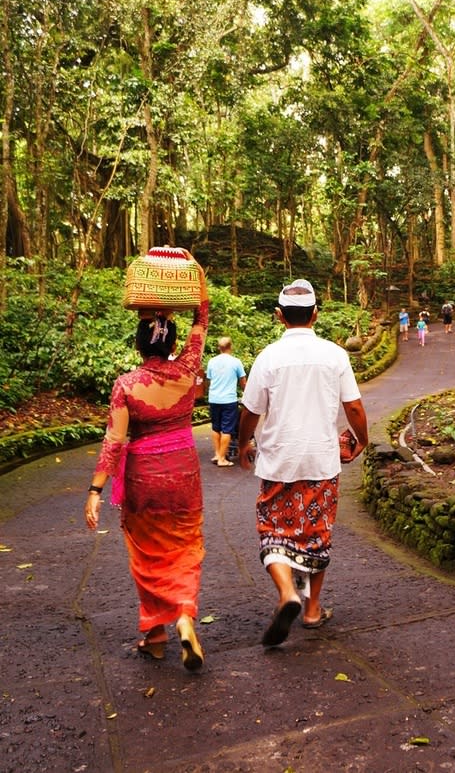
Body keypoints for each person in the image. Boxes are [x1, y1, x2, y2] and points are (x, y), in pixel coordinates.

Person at [84, 256, 209, 673]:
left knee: (147, 551)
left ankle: (155, 636)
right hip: (184, 470)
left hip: (144, 478)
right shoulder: (188, 370)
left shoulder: (126, 385)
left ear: (139, 345)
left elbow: (115, 441)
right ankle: (185, 618)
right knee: (185, 544)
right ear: (172, 344)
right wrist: (199, 282)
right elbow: (201, 322)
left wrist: (96, 490)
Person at [238, 278, 369, 647]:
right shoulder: (334, 355)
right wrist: (362, 438)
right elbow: (354, 407)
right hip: (321, 461)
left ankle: (286, 593)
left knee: (273, 530)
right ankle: (311, 609)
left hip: (279, 461)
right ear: (316, 314)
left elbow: (249, 411)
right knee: (316, 535)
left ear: (279, 316)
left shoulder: (267, 358)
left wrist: (246, 441)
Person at [205, 336, 247, 467]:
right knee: (227, 430)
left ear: (219, 347)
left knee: (215, 427)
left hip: (214, 399)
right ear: (231, 346)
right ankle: (222, 459)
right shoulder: (236, 362)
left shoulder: (212, 361)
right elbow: (243, 381)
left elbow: (208, 381)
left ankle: (217, 453)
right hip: (228, 399)